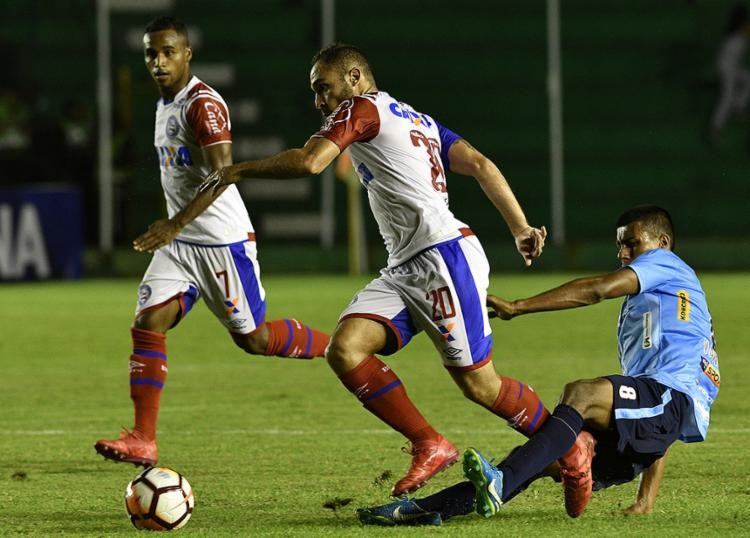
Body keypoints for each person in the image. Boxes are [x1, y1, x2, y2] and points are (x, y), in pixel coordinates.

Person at [201, 43, 556, 496]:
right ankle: (430, 444)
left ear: (353, 77)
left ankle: (567, 448)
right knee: (345, 348)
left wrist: (238, 170)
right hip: (407, 266)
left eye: (323, 89)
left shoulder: (362, 109)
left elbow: (312, 162)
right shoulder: (416, 119)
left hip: (442, 259)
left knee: (480, 385)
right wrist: (519, 225)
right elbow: (481, 164)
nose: (319, 102)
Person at [357, 205, 720, 525]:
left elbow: (599, 289)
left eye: (633, 243)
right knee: (540, 457)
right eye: (620, 245)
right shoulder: (665, 312)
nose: (624, 253)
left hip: (669, 403)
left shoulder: (667, 266)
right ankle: (431, 508)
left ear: (663, 243)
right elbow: (653, 420)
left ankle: (502, 484)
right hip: (657, 420)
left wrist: (518, 306)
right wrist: (645, 502)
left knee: (582, 394)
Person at [94, 17, 330, 467]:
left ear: (187, 54)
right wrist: (177, 230)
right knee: (148, 323)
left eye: (167, 52)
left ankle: (336, 346)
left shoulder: (202, 105)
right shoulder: (164, 103)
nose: (159, 62)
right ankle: (144, 438)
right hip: (182, 246)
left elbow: (223, 175)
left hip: (221, 243)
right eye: (151, 53)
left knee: (255, 340)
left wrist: (174, 224)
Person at [707, 3, 750, 145]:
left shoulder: (739, 30)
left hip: (731, 67)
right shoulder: (740, 31)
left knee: (748, 77)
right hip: (726, 68)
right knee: (727, 96)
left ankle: (738, 106)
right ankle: (715, 128)